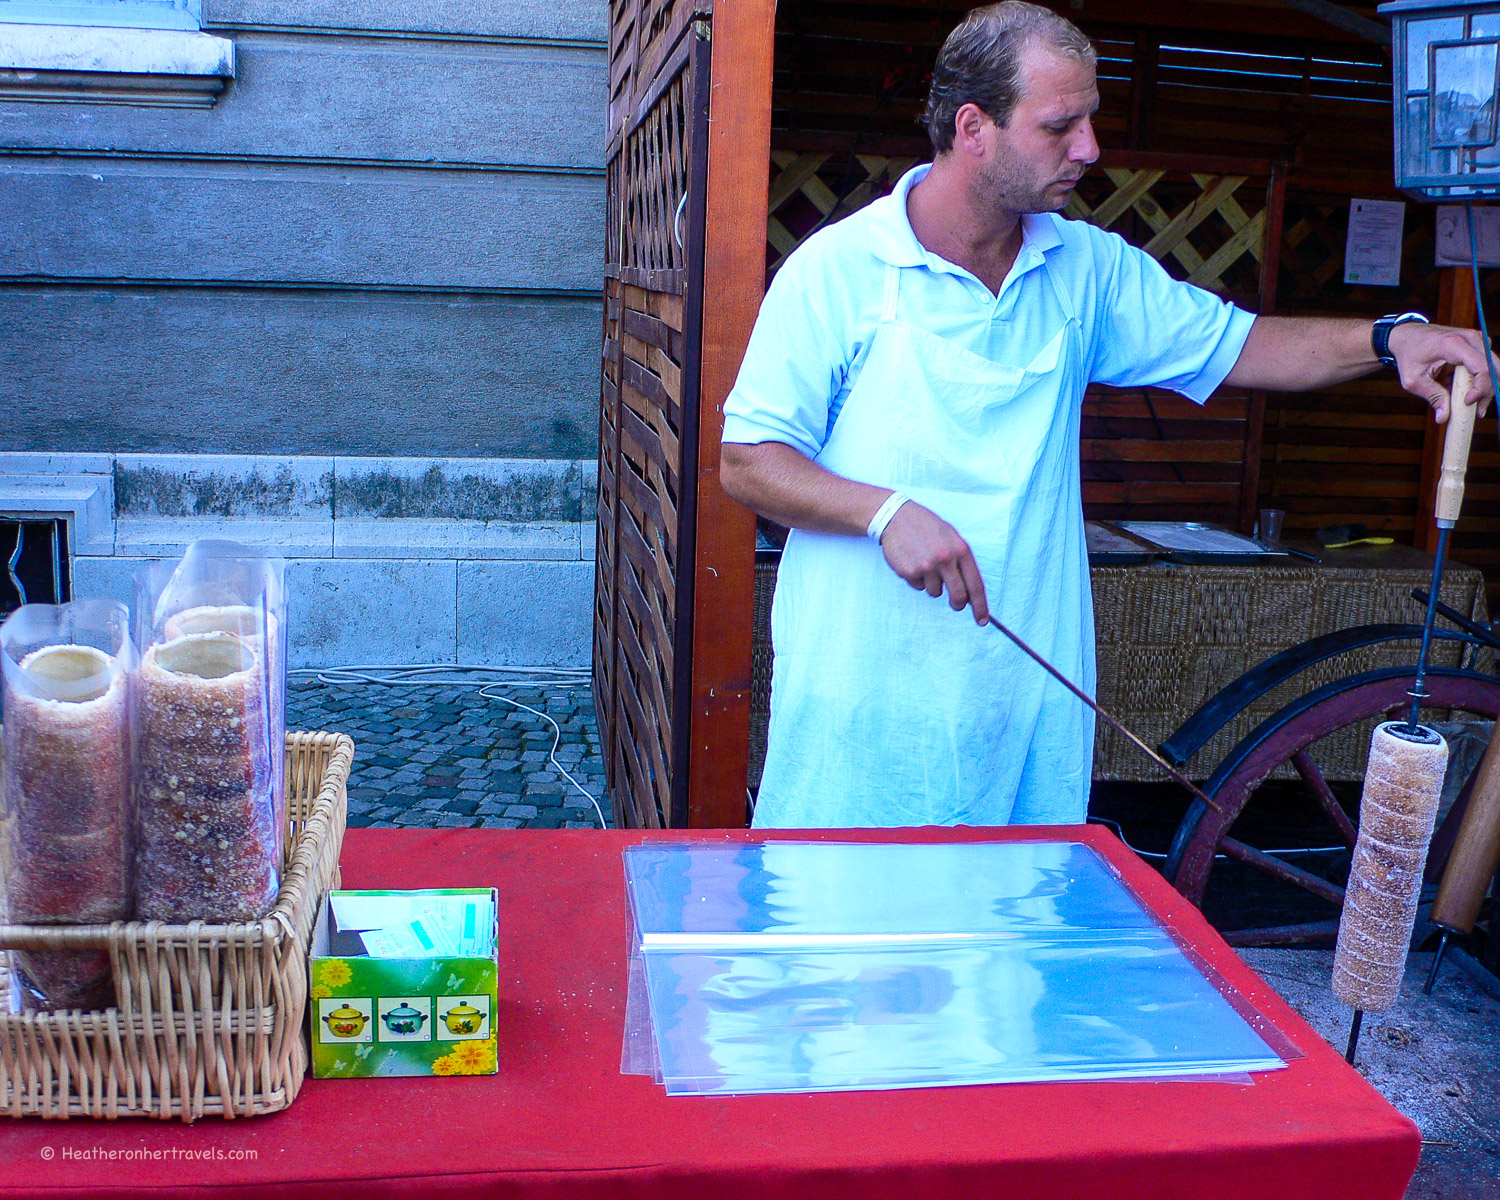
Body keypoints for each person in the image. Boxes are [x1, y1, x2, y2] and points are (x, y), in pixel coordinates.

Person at [719, 1, 1494, 831]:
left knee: (1015, 908)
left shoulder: (1085, 267)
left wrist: (1390, 337)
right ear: (973, 127)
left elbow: (1247, 346)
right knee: (848, 906)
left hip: (1024, 699)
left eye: (1090, 119)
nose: (1089, 147)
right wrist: (882, 512)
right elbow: (748, 460)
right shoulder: (838, 270)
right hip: (864, 702)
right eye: (1061, 125)